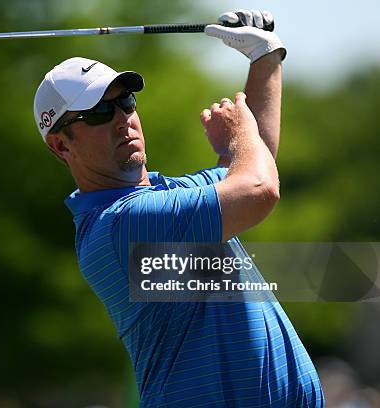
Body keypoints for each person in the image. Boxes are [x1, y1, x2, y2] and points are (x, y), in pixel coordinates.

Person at [33, 9, 325, 407]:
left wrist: (265, 57)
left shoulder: (163, 199)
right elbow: (258, 189)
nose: (123, 120)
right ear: (61, 145)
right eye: (100, 112)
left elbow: (258, 162)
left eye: (126, 103)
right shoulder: (119, 226)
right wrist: (240, 136)